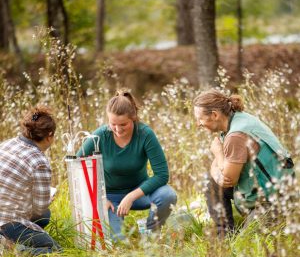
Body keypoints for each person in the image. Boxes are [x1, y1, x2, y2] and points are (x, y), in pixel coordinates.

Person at [77, 88, 177, 240]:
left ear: (134, 118)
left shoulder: (145, 134)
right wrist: (100, 198)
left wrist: (131, 197)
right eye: (113, 124)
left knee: (168, 195)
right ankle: (118, 230)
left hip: (140, 193)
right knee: (118, 242)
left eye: (123, 124)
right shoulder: (100, 135)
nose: (117, 129)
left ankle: (150, 233)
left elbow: (162, 175)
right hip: (110, 198)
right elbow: (77, 165)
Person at [193, 88, 294, 236]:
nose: (198, 124)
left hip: (276, 201)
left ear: (214, 115)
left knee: (244, 245)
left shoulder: (236, 135)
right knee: (211, 183)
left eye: (200, 119)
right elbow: (219, 168)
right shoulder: (236, 119)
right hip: (262, 190)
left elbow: (228, 179)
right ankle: (225, 235)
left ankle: (241, 232)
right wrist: (217, 169)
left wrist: (218, 153)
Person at [0, 105, 61, 255]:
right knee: (55, 249)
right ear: (50, 135)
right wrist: (48, 198)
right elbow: (39, 209)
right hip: (8, 222)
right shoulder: (39, 162)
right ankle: (12, 250)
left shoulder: (7, 144)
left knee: (45, 218)